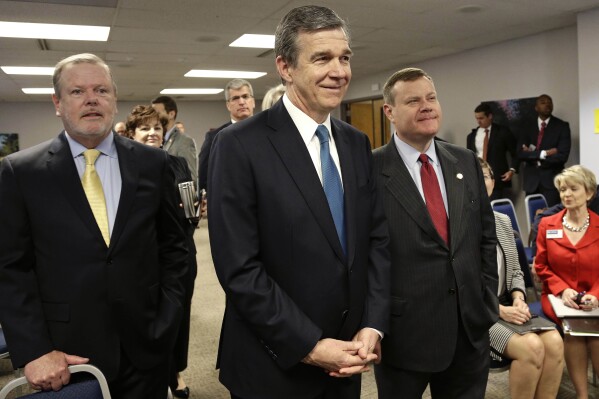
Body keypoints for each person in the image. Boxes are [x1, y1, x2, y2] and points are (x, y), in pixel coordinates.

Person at [208, 5, 390, 399]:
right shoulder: (239, 144)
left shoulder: (356, 143)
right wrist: (309, 344)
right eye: (321, 58)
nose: (339, 71)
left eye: (344, 58)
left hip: (349, 358)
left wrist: (372, 324)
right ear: (285, 68)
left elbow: (376, 241)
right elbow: (240, 268)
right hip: (273, 365)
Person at [0, 53, 188, 398]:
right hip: (66, 356)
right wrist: (35, 350)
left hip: (146, 347)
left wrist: (167, 320)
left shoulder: (153, 163)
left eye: (101, 89)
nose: (91, 99)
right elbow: (11, 269)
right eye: (77, 92)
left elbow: (176, 250)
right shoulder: (20, 172)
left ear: (114, 100)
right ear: (57, 103)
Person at [372, 67, 498, 399]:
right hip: (404, 334)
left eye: (431, 98)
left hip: (469, 329)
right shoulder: (370, 171)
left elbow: (485, 237)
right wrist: (373, 324)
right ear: (390, 112)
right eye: (413, 101)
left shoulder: (465, 161)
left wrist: (486, 301)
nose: (427, 106)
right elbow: (364, 254)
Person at [124, 105, 198, 399]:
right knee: (146, 322)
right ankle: (157, 376)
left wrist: (193, 212)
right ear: (131, 134)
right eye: (145, 128)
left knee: (177, 317)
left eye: (157, 128)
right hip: (141, 259)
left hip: (179, 253)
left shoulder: (177, 163)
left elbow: (190, 210)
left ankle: (174, 371)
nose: (152, 133)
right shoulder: (123, 167)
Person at [480, 158, 563, 399]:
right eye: (476, 176)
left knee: (555, 341)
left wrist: (518, 297)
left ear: (493, 183)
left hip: (507, 302)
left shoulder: (503, 222)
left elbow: (516, 270)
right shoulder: (457, 225)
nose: (481, 181)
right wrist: (498, 310)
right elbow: (458, 284)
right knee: (532, 347)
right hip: (477, 313)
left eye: (486, 176)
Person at [535, 165, 599, 399]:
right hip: (557, 296)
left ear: (589, 193)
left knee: (595, 334)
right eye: (563, 190)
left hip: (595, 295)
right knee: (574, 330)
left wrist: (596, 294)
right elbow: (541, 266)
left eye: (573, 188)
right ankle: (582, 395)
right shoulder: (547, 224)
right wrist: (563, 291)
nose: (567, 194)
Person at [197, 78, 256, 193]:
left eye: (245, 96)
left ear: (253, 101)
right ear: (228, 105)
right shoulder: (214, 137)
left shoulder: (267, 133)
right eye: (235, 98)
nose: (242, 102)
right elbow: (205, 179)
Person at [517, 94, 571, 206]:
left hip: (551, 182)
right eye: (543, 102)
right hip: (531, 182)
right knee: (533, 219)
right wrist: (543, 154)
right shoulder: (527, 126)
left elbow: (562, 156)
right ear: (536, 107)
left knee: (552, 218)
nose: (547, 104)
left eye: (549, 102)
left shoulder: (562, 126)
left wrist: (531, 155)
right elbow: (520, 153)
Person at [466, 103, 517, 200]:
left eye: (481, 118)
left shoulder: (502, 132)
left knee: (497, 209)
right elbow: (469, 158)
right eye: (477, 118)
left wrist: (512, 170)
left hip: (497, 178)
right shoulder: (472, 136)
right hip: (478, 179)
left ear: (490, 116)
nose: (478, 121)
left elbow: (515, 153)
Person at [151, 96, 198, 185]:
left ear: (171, 114)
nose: (153, 117)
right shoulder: (153, 139)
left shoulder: (184, 141)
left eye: (157, 113)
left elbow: (190, 179)